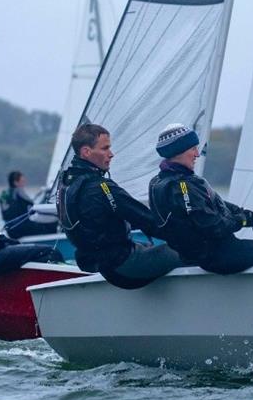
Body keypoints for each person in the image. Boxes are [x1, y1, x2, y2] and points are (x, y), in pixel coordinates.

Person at [148, 123, 253, 273]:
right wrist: (242, 220)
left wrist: (250, 216)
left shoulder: (160, 181)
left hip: (208, 254)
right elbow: (212, 226)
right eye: (193, 149)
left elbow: (213, 204)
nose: (197, 154)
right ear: (179, 152)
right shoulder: (182, 186)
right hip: (215, 257)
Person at [56, 123, 184, 289]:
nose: (111, 154)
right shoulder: (101, 187)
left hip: (93, 263)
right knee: (190, 251)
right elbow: (147, 220)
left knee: (146, 246)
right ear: (86, 152)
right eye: (105, 148)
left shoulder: (66, 181)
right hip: (121, 268)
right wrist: (188, 236)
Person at [0, 171, 57, 238]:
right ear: (15, 182)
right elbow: (33, 205)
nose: (24, 183)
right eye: (22, 181)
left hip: (9, 229)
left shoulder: (3, 194)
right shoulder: (18, 191)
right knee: (52, 225)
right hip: (20, 227)